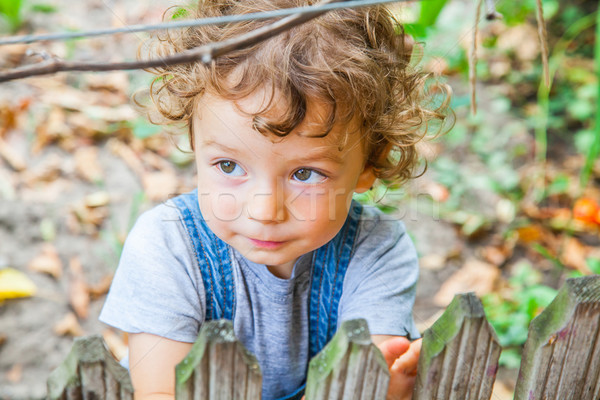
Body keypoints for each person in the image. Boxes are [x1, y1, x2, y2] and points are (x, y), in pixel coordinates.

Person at [99, 1, 450, 399]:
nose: (264, 210)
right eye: (229, 166)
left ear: (370, 163)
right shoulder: (166, 248)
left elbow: (363, 382)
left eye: (305, 174)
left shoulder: (377, 252)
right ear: (195, 145)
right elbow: (160, 392)